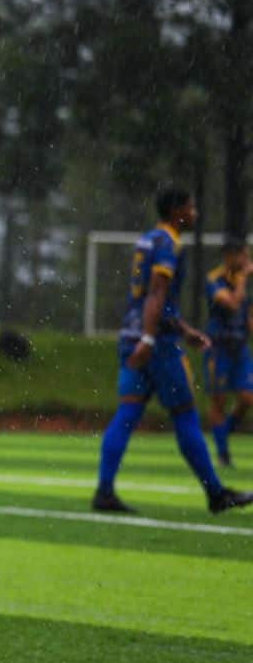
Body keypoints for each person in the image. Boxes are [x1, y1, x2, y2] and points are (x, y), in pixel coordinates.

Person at [94, 187, 253, 515]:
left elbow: (152, 299)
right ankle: (216, 493)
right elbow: (157, 293)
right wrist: (152, 340)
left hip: (131, 334)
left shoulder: (148, 239)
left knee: (128, 412)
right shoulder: (169, 243)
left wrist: (184, 329)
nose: (195, 213)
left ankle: (105, 491)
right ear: (177, 210)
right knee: (185, 414)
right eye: (192, 207)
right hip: (156, 343)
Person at [204, 236, 253, 468]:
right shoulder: (215, 279)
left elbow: (247, 313)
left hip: (240, 348)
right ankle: (223, 454)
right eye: (243, 255)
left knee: (247, 398)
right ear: (229, 256)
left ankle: (223, 433)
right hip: (219, 348)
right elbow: (233, 304)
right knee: (219, 400)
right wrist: (243, 278)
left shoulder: (245, 281)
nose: (247, 259)